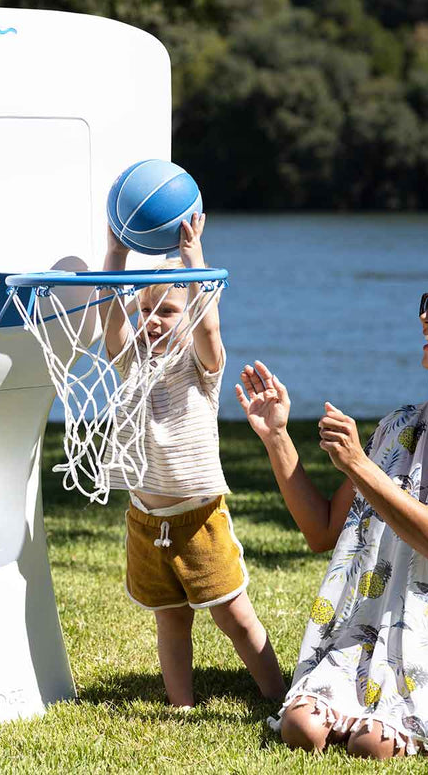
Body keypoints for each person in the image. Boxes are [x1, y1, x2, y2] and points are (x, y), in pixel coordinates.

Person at [236, 260, 428, 758]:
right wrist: (276, 437)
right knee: (300, 727)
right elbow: (322, 532)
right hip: (375, 624)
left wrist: (360, 466)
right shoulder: (401, 425)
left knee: (374, 745)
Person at [102, 214, 286, 707]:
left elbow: (209, 324)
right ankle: (180, 706)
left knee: (233, 615)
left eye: (168, 310)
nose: (154, 320)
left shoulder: (202, 367)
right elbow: (111, 323)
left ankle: (277, 694)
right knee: (171, 617)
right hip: (146, 521)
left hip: (198, 518)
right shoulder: (134, 360)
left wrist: (194, 260)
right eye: (147, 310)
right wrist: (117, 254)